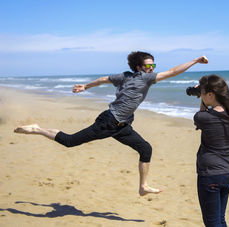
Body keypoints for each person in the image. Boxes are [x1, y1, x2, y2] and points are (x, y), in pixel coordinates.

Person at [14, 51, 208, 196]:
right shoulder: (142, 77)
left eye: (153, 66)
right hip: (108, 122)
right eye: (149, 66)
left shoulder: (125, 76)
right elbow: (173, 72)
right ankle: (37, 129)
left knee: (146, 149)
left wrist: (85, 86)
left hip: (122, 125)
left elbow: (103, 79)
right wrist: (196, 60)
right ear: (139, 68)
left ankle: (143, 186)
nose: (152, 69)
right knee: (69, 141)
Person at [193, 74, 229, 227]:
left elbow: (200, 116)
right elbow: (209, 111)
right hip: (228, 173)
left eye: (204, 93)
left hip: (210, 174)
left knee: (212, 223)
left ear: (211, 95)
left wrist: (202, 98)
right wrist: (204, 94)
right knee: (220, 219)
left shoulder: (204, 117)